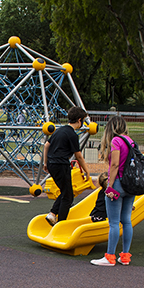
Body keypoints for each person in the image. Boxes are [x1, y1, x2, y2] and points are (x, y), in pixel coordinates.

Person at [91, 116, 136, 266]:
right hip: (130, 185)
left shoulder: (116, 141)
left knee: (114, 223)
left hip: (118, 184)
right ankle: (125, 256)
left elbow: (115, 165)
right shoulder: (130, 141)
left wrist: (109, 186)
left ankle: (110, 256)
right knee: (127, 221)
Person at [43, 106, 91, 226]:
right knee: (68, 196)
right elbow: (78, 156)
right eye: (83, 121)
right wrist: (87, 170)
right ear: (79, 120)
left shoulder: (59, 130)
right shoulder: (72, 135)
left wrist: (45, 162)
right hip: (61, 164)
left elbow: (46, 146)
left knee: (66, 192)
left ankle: (53, 214)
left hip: (52, 164)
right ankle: (60, 223)